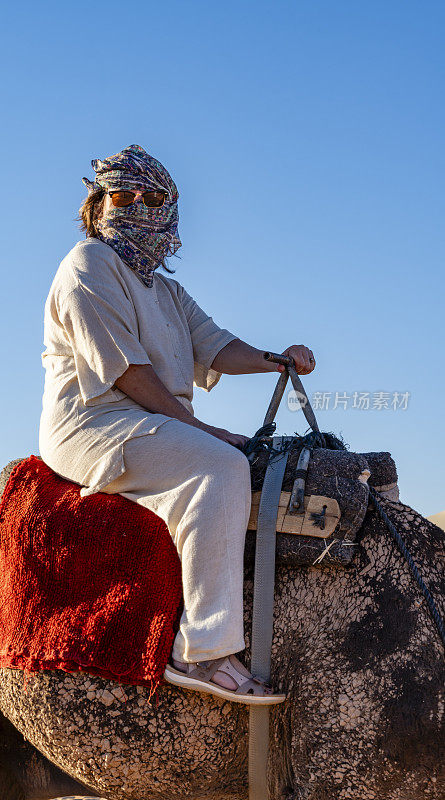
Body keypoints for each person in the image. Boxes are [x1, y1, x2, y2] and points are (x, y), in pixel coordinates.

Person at [38, 144, 315, 705]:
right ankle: (202, 652)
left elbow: (215, 346)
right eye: (124, 195)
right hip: (96, 423)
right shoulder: (87, 266)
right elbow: (126, 373)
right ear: (100, 202)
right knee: (220, 466)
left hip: (153, 420)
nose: (138, 206)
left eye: (152, 197)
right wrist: (205, 432)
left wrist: (275, 359)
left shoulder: (163, 288)